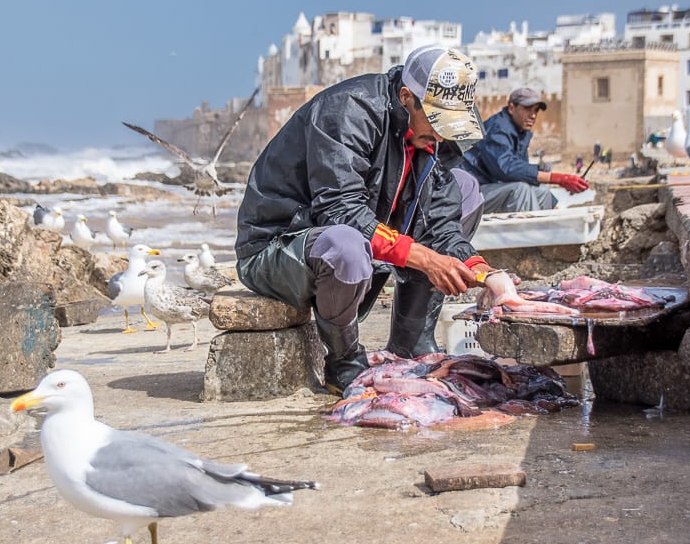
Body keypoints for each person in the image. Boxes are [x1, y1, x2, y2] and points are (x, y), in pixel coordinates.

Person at [235, 45, 503, 395]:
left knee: (465, 188)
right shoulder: (349, 112)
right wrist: (425, 258)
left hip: (362, 239)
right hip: (282, 245)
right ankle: (343, 361)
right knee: (346, 244)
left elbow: (443, 220)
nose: (440, 136)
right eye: (437, 123)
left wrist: (484, 272)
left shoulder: (431, 136)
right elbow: (341, 211)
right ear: (407, 97)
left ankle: (411, 342)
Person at [459, 88, 590, 213]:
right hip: (470, 194)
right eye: (527, 109)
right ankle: (531, 235)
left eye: (536, 110)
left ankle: (548, 229)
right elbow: (506, 168)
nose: (533, 115)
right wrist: (558, 179)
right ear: (511, 108)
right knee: (520, 190)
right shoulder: (498, 129)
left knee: (542, 191)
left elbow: (521, 173)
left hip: (490, 188)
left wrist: (554, 204)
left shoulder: (520, 133)